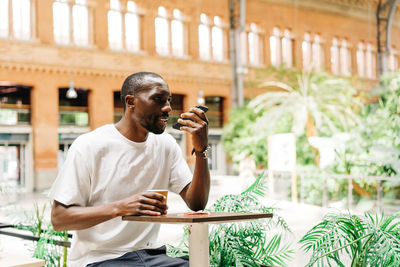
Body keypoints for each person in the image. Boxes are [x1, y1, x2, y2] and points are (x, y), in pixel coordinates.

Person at [49, 72, 210, 266]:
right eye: (158, 99)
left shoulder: (166, 144)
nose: (167, 107)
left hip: (149, 256)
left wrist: (201, 150)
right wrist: (121, 207)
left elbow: (197, 203)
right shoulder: (89, 145)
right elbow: (59, 219)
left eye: (168, 100)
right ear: (131, 101)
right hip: (100, 258)